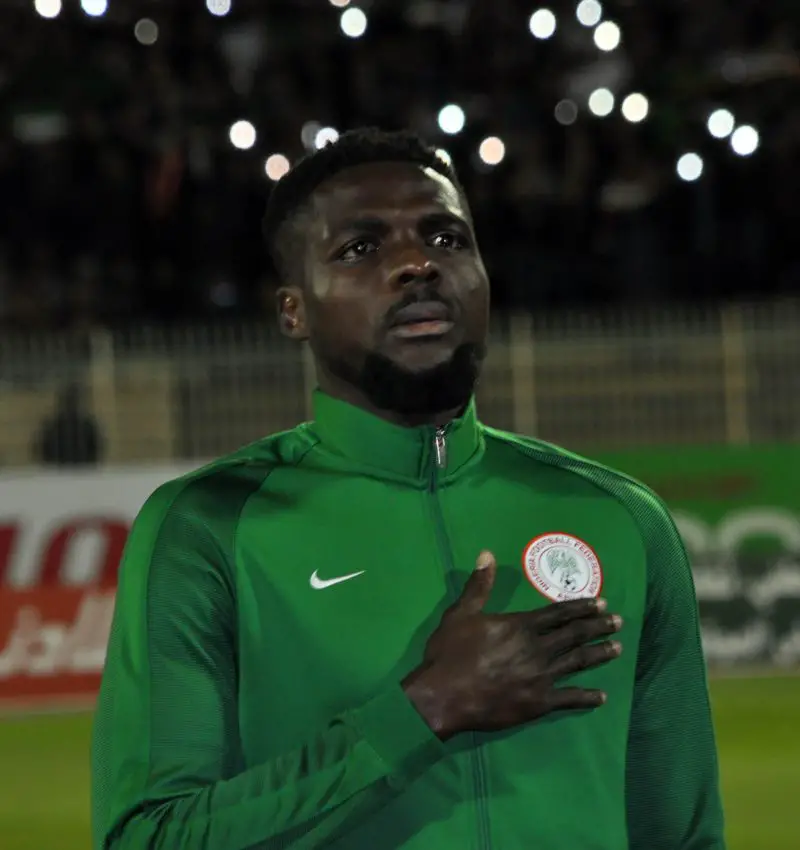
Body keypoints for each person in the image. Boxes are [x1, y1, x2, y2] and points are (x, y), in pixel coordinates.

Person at [91, 128, 726, 849]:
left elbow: (685, 837)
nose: (418, 264)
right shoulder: (208, 528)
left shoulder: (621, 519)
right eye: (360, 247)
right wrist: (425, 709)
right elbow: (149, 838)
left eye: (446, 239)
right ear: (293, 310)